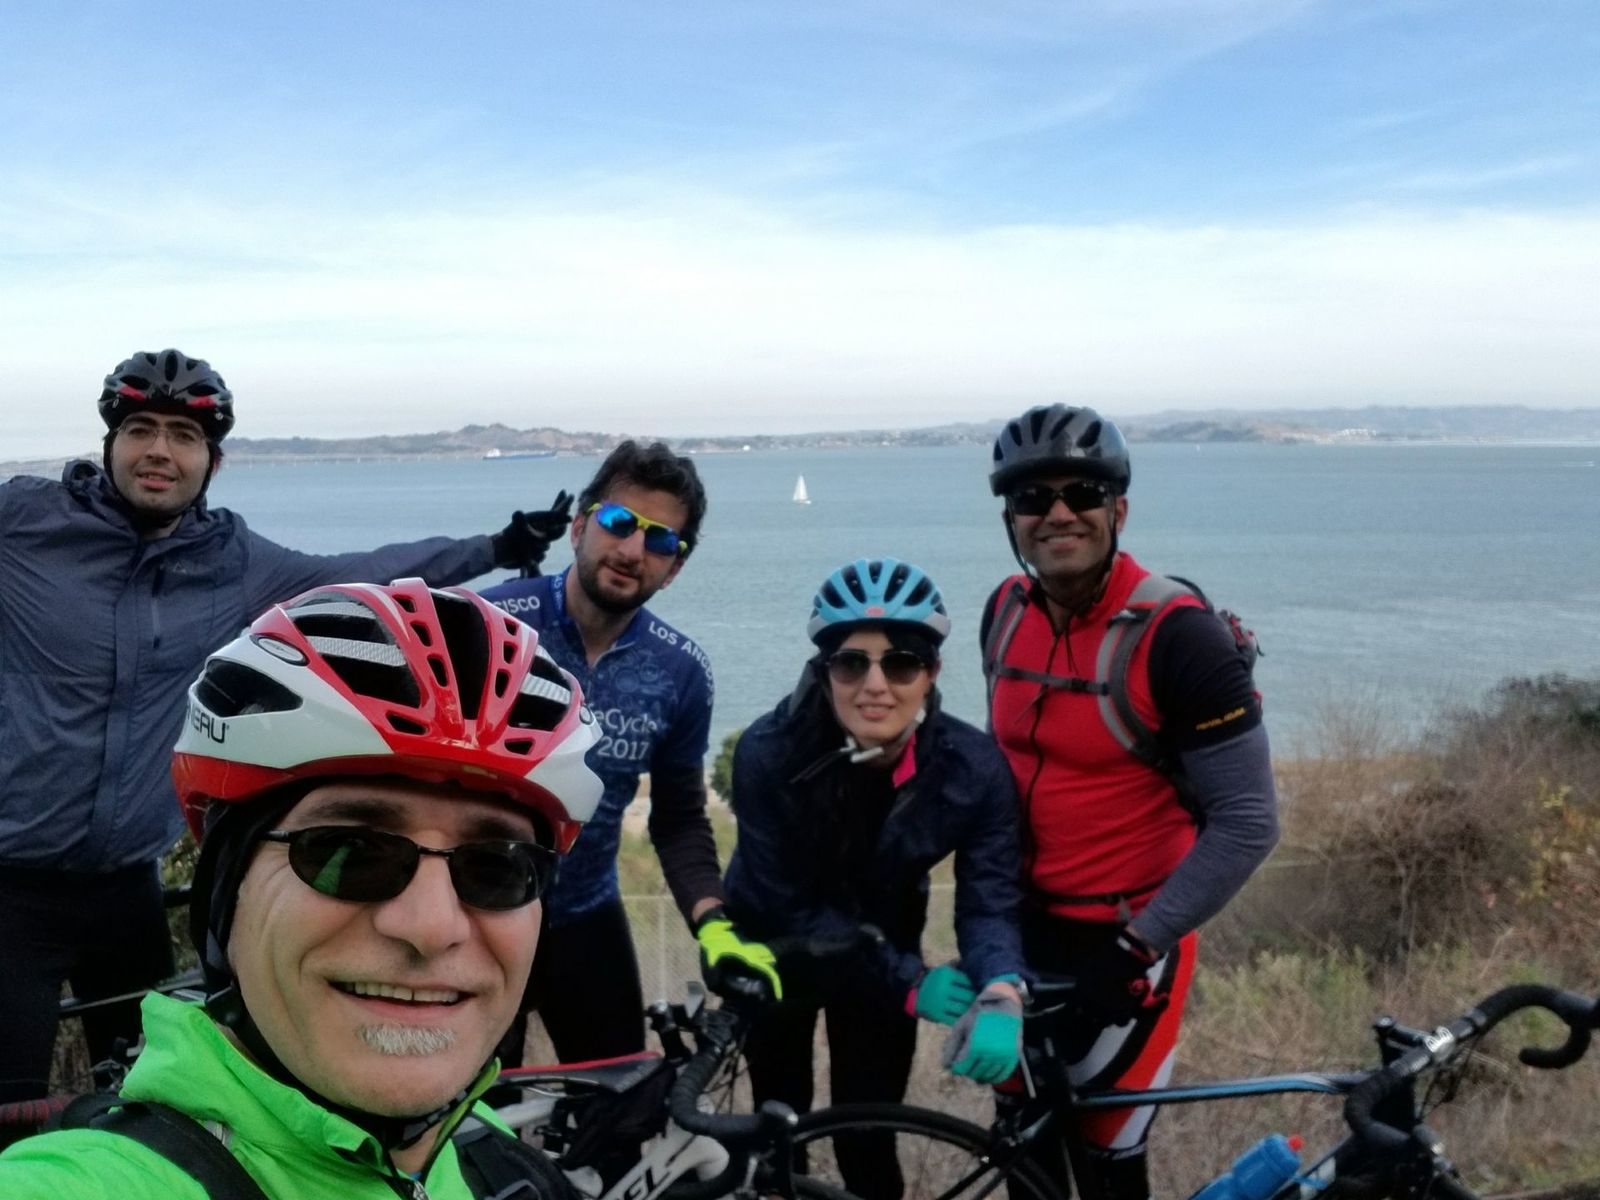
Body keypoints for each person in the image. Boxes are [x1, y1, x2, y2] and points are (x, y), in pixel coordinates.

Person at [0, 348, 573, 1108]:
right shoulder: (23, 523)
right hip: (13, 885)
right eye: (140, 430)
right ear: (109, 444)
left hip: (128, 888)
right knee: (7, 1106)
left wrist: (495, 549)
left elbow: (364, 573)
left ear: (213, 461)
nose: (159, 451)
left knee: (151, 1095)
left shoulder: (233, 561)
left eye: (183, 435)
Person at [0, 579, 602, 1196]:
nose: (431, 927)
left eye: (497, 868)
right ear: (227, 892)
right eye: (349, 853)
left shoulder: (495, 1156)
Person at [982, 404, 1280, 1200]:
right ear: (1010, 517)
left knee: (1109, 1161)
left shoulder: (1180, 637)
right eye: (1031, 498)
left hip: (1128, 941)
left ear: (1119, 509)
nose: (1057, 514)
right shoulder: (1004, 612)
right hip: (1021, 933)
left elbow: (1249, 823)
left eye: (1082, 493)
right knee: (1022, 1153)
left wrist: (1133, 950)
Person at [723, 557, 1027, 1200]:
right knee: (779, 1129)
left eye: (902, 664)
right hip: (777, 947)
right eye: (851, 664)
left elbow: (990, 899)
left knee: (868, 1138)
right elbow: (787, 906)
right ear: (824, 671)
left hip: (884, 947)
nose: (876, 686)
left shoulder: (972, 769)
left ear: (932, 673)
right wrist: (909, 980)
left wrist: (1003, 985)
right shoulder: (768, 753)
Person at [480, 440, 777, 1066]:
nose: (633, 550)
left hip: (586, 915)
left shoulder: (681, 672)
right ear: (579, 527)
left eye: (661, 540)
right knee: (464, 1111)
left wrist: (713, 922)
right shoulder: (493, 624)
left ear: (675, 568)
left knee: (622, 1104)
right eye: (619, 522)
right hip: (476, 909)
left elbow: (679, 819)